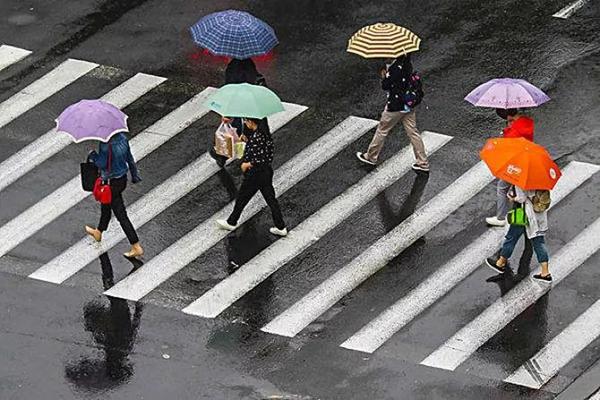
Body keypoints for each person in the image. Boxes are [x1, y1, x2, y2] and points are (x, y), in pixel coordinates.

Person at [356, 54, 429, 172]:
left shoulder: (395, 69)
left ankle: (371, 157)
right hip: (409, 104)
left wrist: (385, 76)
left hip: (396, 106)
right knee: (413, 132)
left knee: (382, 129)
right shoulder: (406, 62)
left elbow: (386, 86)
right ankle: (423, 163)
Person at [216, 117, 287, 237]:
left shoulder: (257, 137)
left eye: (247, 121)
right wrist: (246, 139)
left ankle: (231, 222)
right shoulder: (263, 134)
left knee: (242, 198)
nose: (245, 122)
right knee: (270, 200)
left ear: (253, 122)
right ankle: (280, 226)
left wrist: (247, 164)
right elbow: (266, 155)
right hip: (265, 172)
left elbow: (260, 158)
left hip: (255, 173)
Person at [85, 132, 144, 258]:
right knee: (105, 206)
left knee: (121, 215)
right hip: (122, 180)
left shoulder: (106, 144)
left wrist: (93, 155)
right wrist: (134, 176)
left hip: (110, 184)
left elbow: (102, 163)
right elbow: (130, 159)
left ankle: (136, 245)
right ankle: (98, 231)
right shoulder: (123, 138)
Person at [485, 185, 552, 283]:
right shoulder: (540, 181)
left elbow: (521, 198)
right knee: (539, 242)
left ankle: (500, 263)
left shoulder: (523, 182)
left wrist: (512, 198)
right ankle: (545, 272)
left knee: (511, 237)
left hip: (524, 215)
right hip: (539, 216)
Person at [210, 58, 264, 167]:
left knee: (234, 130)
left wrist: (227, 113)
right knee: (247, 131)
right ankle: (245, 155)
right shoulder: (249, 64)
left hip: (237, 104)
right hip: (249, 103)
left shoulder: (233, 67)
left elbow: (229, 89)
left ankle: (222, 155)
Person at [486, 109, 535, 226]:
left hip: (515, 162)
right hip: (525, 159)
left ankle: (501, 218)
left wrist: (506, 131)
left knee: (502, 188)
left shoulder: (515, 131)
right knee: (519, 189)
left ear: (510, 118)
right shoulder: (526, 123)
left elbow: (508, 144)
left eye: (507, 120)